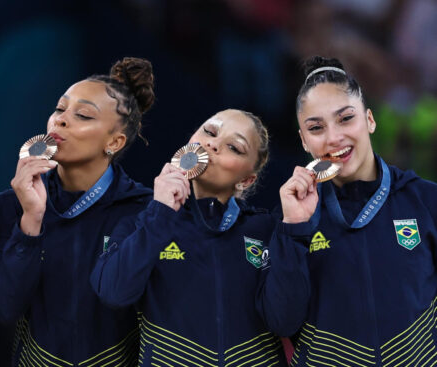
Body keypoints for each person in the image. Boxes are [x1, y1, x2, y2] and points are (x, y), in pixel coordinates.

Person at [258, 56, 437, 366]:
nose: (334, 138)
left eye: (345, 118)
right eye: (316, 127)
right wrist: (295, 231)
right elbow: (281, 322)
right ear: (303, 140)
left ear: (369, 120)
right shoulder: (288, 221)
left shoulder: (425, 201)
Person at [0, 57, 156, 365]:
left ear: (114, 142)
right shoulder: (12, 205)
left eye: (83, 115)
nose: (60, 120)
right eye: (60, 109)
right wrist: (30, 224)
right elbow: (2, 310)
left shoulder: (145, 212)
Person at [92, 109, 285, 366]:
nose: (213, 144)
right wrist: (158, 214)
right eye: (210, 132)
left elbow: (287, 319)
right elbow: (113, 294)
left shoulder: (266, 230)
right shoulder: (139, 222)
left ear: (246, 180)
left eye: (234, 147)